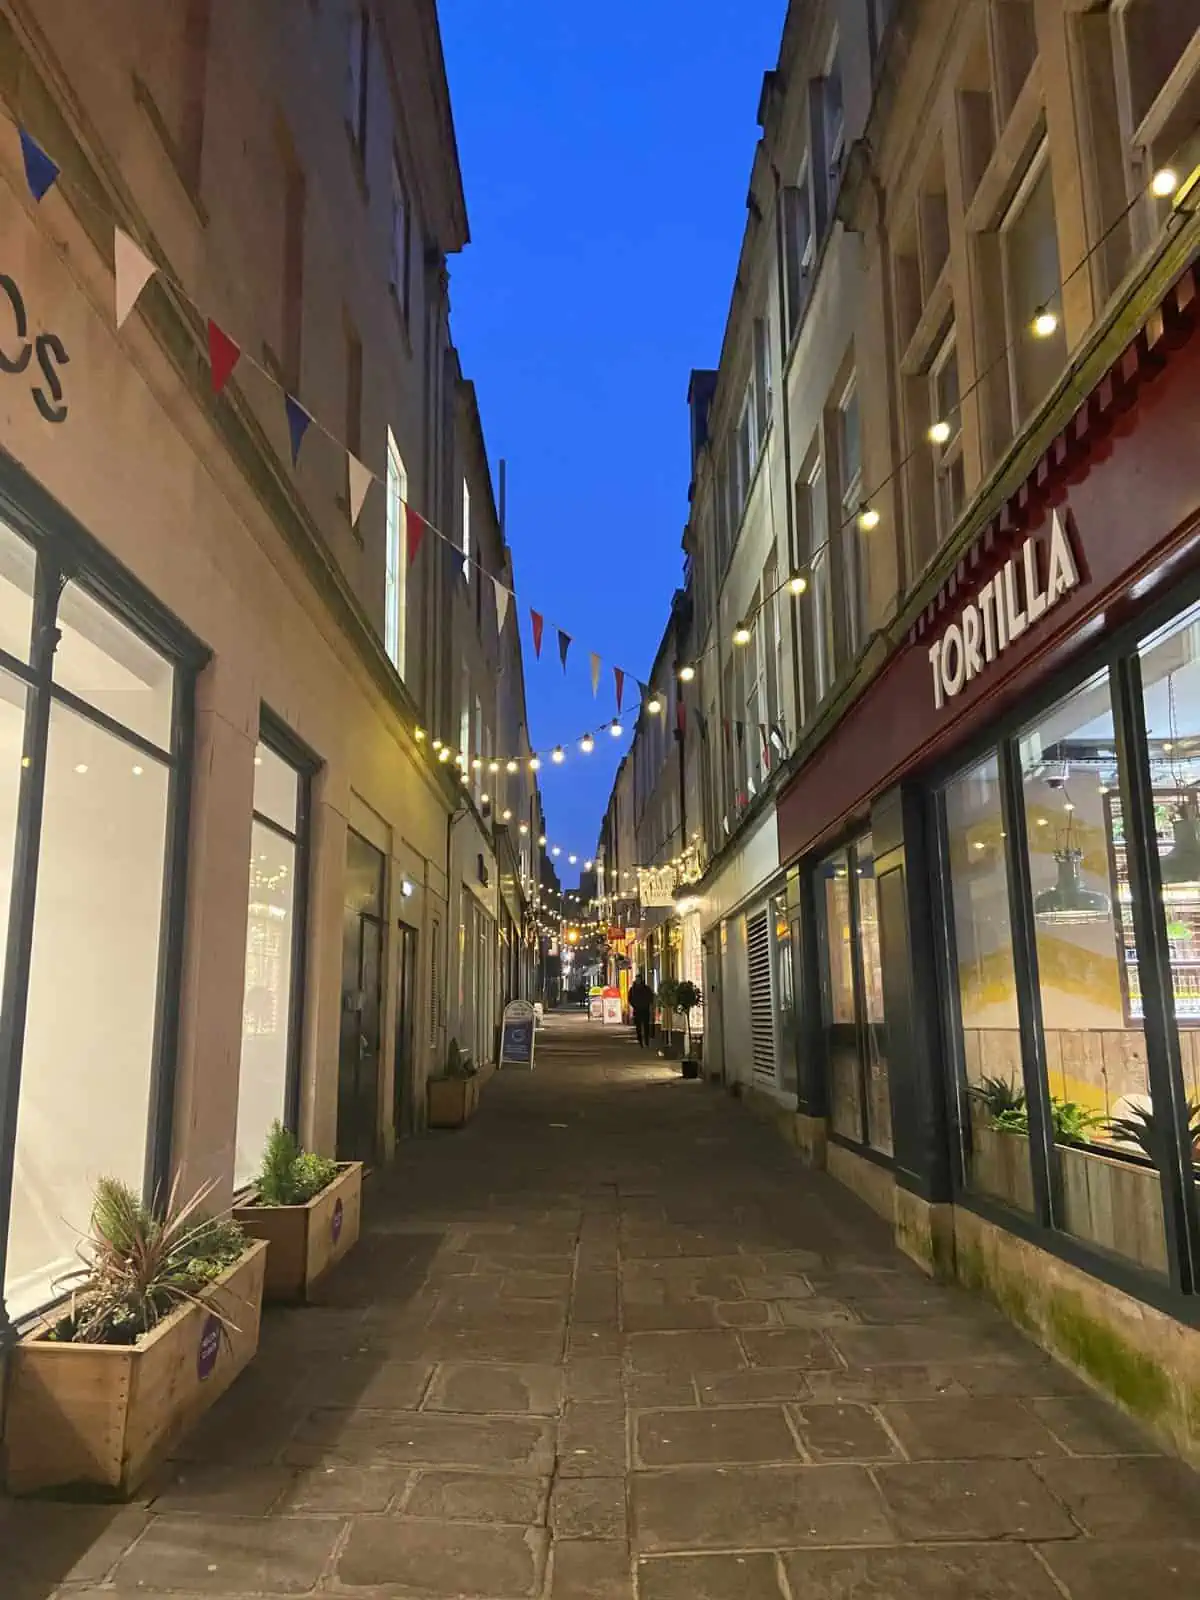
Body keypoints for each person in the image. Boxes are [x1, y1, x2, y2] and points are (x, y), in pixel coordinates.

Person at [628, 972, 654, 1049]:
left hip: (645, 1009)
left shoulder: (646, 988)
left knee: (646, 1026)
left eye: (639, 979)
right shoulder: (633, 989)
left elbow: (650, 997)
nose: (638, 980)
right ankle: (641, 1042)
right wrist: (634, 1005)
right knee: (638, 1027)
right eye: (637, 979)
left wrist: (648, 1004)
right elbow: (630, 999)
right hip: (637, 1010)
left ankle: (646, 1042)